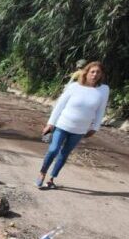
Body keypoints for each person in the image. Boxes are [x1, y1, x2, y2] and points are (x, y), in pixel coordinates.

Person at [37, 61, 109, 189]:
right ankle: (42, 172)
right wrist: (51, 123)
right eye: (92, 71)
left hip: (80, 130)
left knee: (64, 154)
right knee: (53, 150)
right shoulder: (74, 86)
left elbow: (101, 110)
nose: (95, 74)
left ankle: (51, 178)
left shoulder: (104, 90)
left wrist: (95, 127)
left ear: (101, 75)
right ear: (86, 73)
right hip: (62, 124)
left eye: (98, 72)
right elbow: (59, 105)